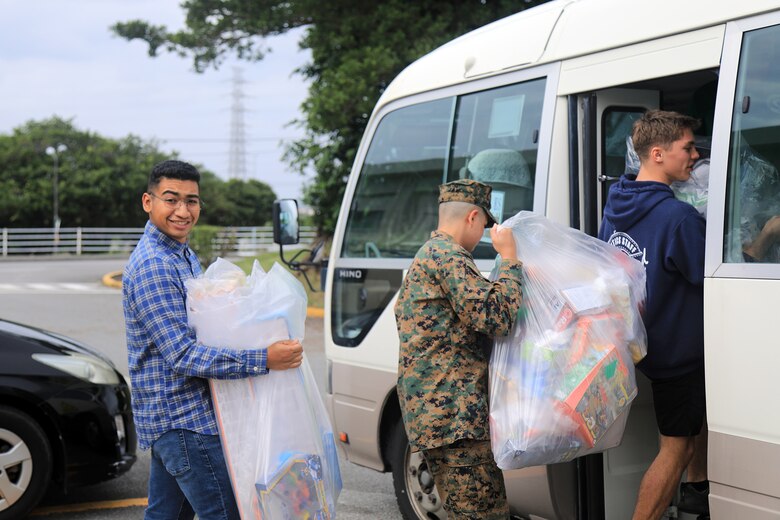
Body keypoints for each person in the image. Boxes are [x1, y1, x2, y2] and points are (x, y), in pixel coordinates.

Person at [122, 159, 303, 520]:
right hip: (184, 420)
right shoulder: (155, 265)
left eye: (191, 201)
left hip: (176, 419)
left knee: (165, 516)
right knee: (225, 514)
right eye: (171, 199)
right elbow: (183, 354)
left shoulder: (180, 254)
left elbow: (201, 323)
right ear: (148, 201)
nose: (182, 211)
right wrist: (264, 358)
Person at [598, 110, 707, 520]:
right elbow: (714, 278)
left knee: (683, 437)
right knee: (677, 449)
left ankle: (696, 498)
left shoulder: (615, 208)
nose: (695, 155)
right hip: (678, 356)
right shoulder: (679, 218)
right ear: (658, 154)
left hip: (640, 346)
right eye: (688, 147)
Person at [394, 179, 524, 519]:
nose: (484, 233)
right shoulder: (449, 257)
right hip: (456, 421)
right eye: (484, 224)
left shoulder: (428, 255)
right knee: (484, 514)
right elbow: (496, 317)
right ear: (472, 217)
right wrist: (510, 259)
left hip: (438, 419)